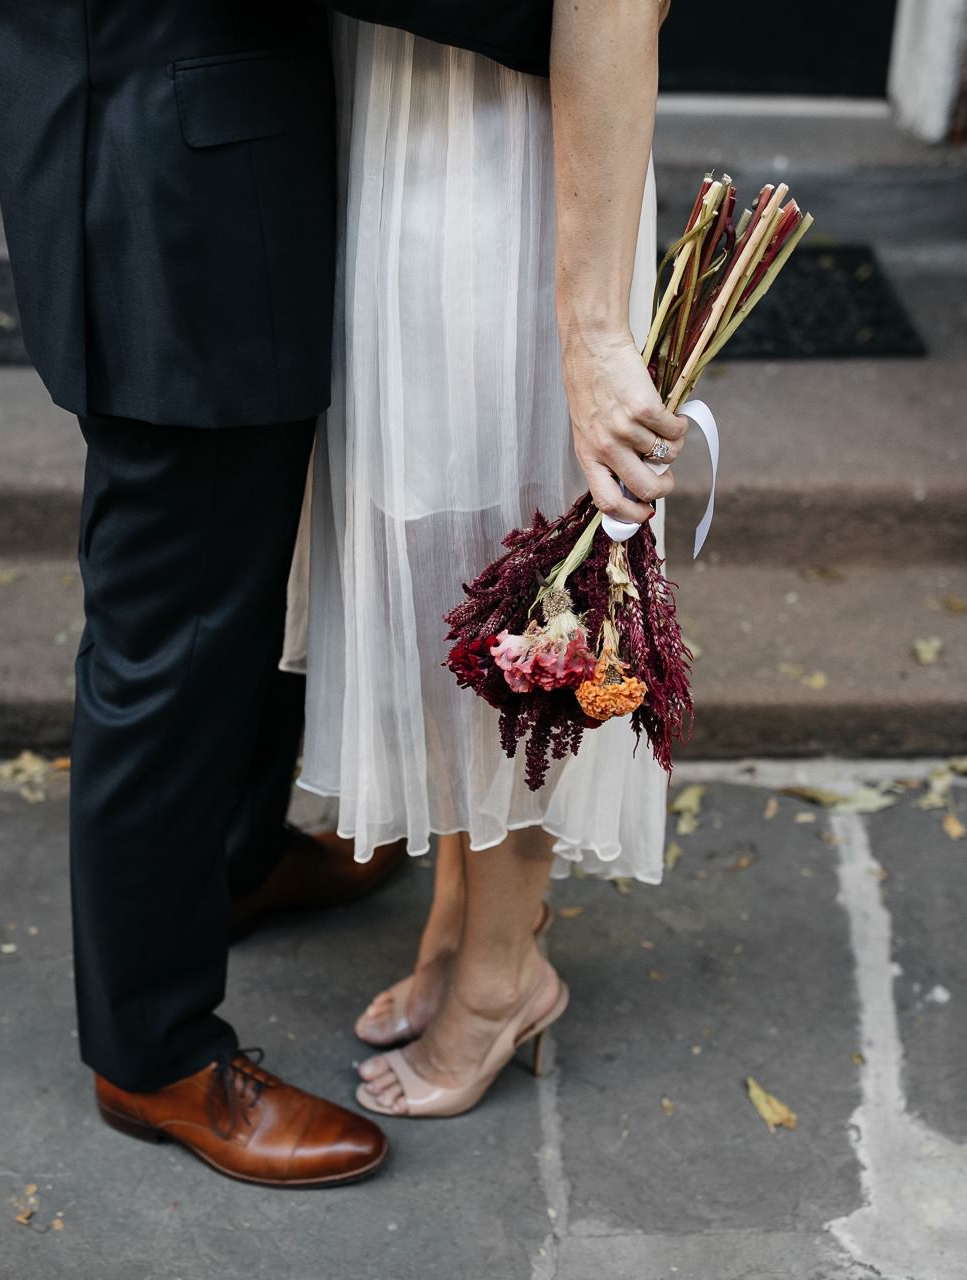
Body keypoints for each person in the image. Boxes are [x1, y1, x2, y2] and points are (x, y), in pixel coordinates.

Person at [0, 0, 405, 1189]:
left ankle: (236, 860)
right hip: (170, 180)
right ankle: (151, 1052)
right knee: (176, 628)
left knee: (249, 566)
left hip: (197, 134)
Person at [293, 0, 684, 1118]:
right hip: (392, 121)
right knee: (433, 568)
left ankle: (505, 974)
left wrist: (593, 327)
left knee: (512, 585)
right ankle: (461, 925)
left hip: (513, 164)